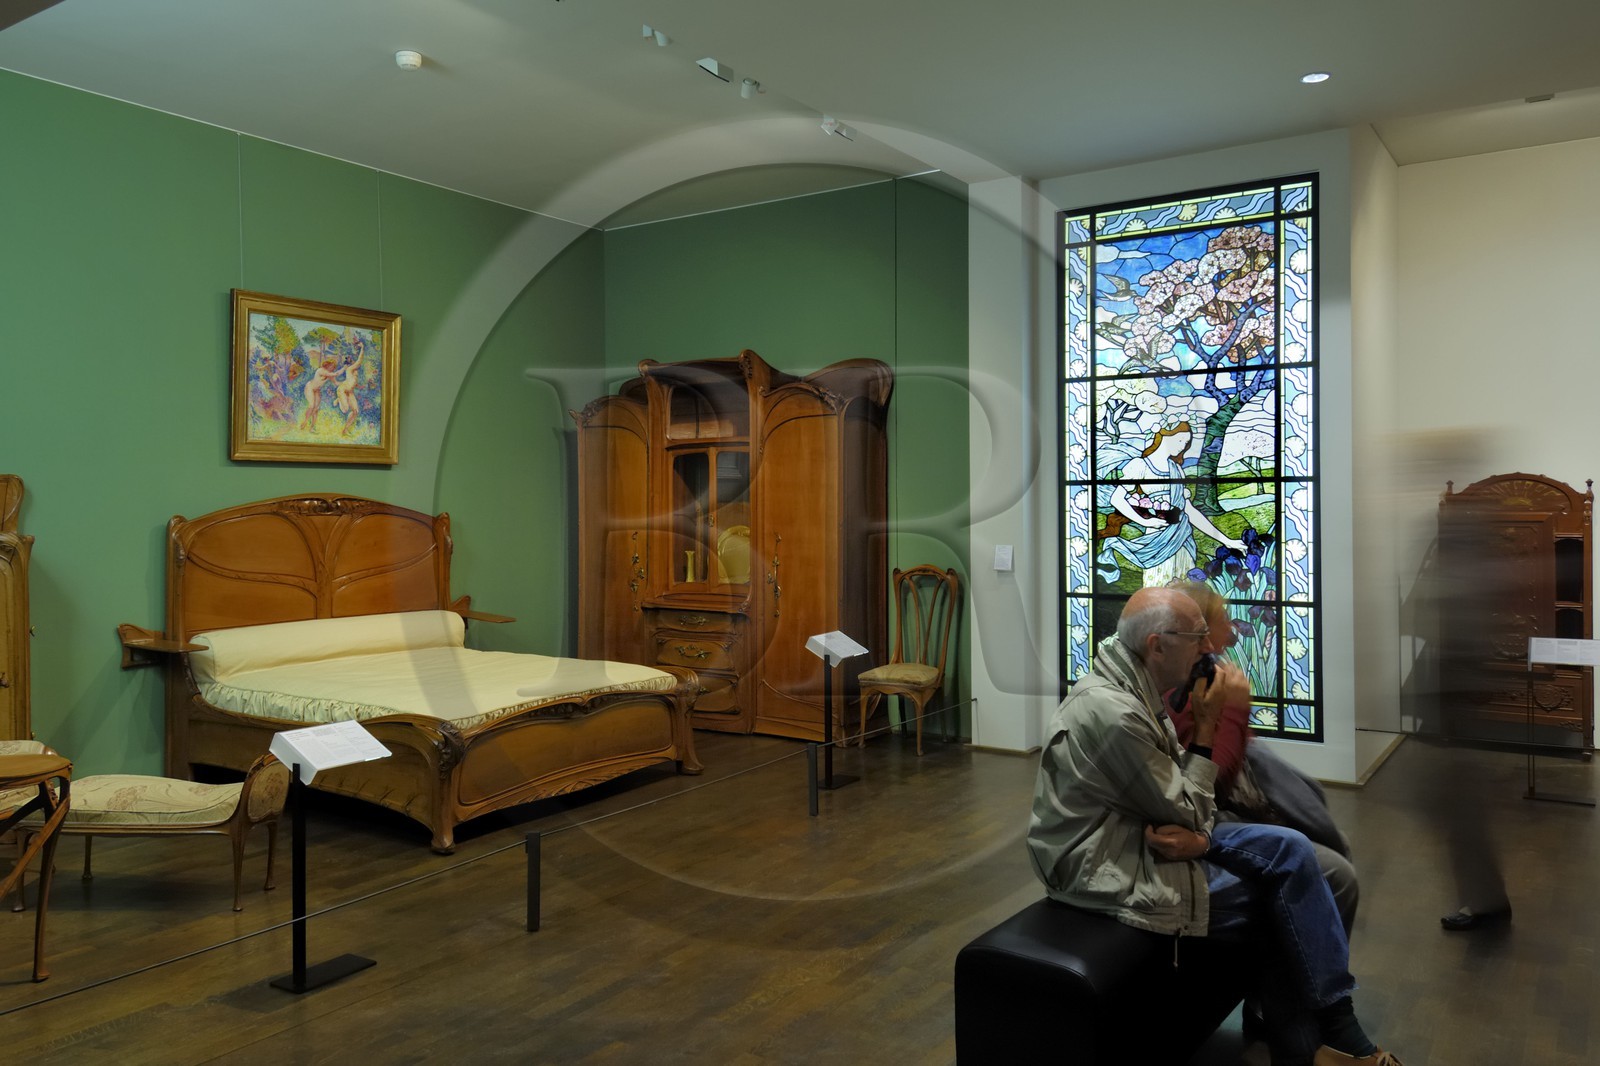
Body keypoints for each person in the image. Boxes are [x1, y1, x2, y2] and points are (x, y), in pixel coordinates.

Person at [1027, 587, 1401, 1066]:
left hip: (1153, 833)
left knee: (1291, 849)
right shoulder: (1116, 711)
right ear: (1157, 644)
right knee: (1285, 898)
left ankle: (1327, 1035)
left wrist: (1200, 833)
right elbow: (1188, 805)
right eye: (1198, 637)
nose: (1209, 648)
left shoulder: (1134, 684)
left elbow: (1183, 798)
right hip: (1112, 866)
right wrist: (1211, 724)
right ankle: (1327, 1042)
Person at [1166, 580, 1361, 935]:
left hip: (1220, 812)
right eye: (1223, 617)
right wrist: (1237, 713)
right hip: (1208, 821)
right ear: (1200, 634)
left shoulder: (1206, 673)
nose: (1230, 625)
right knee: (1337, 871)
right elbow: (1213, 783)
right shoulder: (1180, 688)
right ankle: (1308, 978)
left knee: (1331, 838)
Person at [1096, 419, 1246, 587]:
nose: (1183, 445)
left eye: (1187, 442)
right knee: (1157, 592)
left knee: (1183, 593)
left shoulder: (1176, 470)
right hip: (1157, 541)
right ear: (1165, 434)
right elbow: (1117, 499)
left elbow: (1189, 511)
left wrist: (1226, 540)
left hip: (1183, 542)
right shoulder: (1140, 465)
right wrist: (1145, 521)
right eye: (1180, 439)